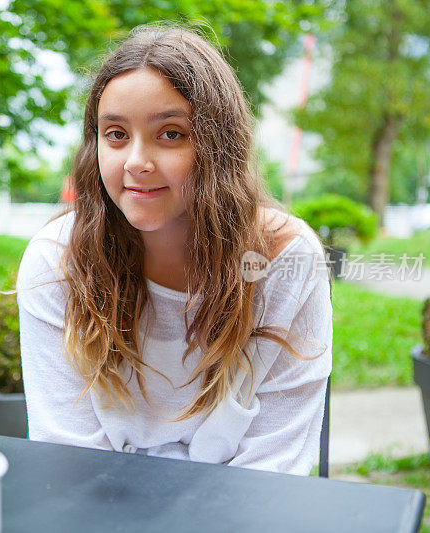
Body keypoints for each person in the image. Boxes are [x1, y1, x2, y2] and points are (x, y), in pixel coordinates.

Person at [17, 25, 332, 476]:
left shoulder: (286, 259)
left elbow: (277, 467)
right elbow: (67, 460)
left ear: (218, 146)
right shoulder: (57, 260)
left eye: (170, 134)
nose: (136, 162)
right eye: (116, 134)